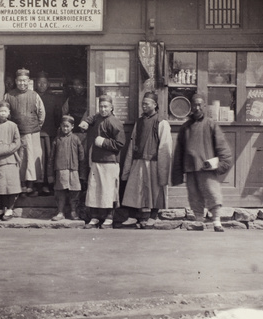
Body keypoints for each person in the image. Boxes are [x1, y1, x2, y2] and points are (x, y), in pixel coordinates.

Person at [171, 93, 233, 232]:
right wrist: (177, 172)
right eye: (194, 105)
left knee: (212, 193)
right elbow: (179, 152)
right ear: (191, 107)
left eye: (200, 105)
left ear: (204, 106)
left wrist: (222, 163)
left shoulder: (211, 124)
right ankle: (198, 220)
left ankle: (217, 222)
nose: (197, 108)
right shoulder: (185, 127)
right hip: (191, 168)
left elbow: (222, 146)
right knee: (194, 195)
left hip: (207, 168)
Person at [120, 92, 173, 229]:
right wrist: (130, 161)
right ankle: (133, 216)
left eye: (146, 104)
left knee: (155, 189)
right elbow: (133, 142)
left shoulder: (162, 122)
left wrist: (163, 167)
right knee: (135, 189)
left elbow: (165, 146)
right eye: (142, 103)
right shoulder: (139, 121)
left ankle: (153, 217)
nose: (143, 106)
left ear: (155, 105)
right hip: (138, 160)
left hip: (154, 161)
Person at [79, 94, 126, 229]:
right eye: (101, 106)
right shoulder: (97, 118)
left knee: (108, 191)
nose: (103, 109)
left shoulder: (115, 122)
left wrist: (103, 142)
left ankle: (109, 218)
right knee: (95, 189)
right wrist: (86, 122)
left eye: (106, 107)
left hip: (110, 162)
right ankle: (95, 217)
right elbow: (92, 118)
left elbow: (120, 143)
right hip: (96, 160)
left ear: (111, 107)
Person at [4, 68, 45, 197]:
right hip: (17, 134)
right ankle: (20, 186)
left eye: (25, 81)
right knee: (20, 159)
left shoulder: (34, 95)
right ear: (16, 81)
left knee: (32, 160)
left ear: (28, 81)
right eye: (20, 81)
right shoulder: (9, 96)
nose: (22, 83)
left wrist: (35, 126)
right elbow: (5, 114)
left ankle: (31, 187)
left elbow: (41, 114)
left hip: (33, 133)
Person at [46, 115, 86, 221]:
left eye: (68, 126)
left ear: (72, 126)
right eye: (63, 126)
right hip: (61, 169)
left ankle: (73, 211)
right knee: (60, 191)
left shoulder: (76, 139)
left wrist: (82, 174)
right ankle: (60, 212)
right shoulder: (57, 140)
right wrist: (50, 174)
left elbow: (82, 158)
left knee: (75, 191)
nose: (65, 129)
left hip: (74, 170)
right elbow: (51, 158)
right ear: (60, 126)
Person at [36, 71, 63, 195]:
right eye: (39, 83)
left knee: (48, 159)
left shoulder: (54, 98)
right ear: (36, 84)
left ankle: (47, 184)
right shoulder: (33, 96)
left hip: (49, 133)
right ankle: (36, 185)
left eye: (44, 83)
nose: (42, 85)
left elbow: (58, 116)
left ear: (48, 84)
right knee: (36, 159)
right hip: (35, 133)